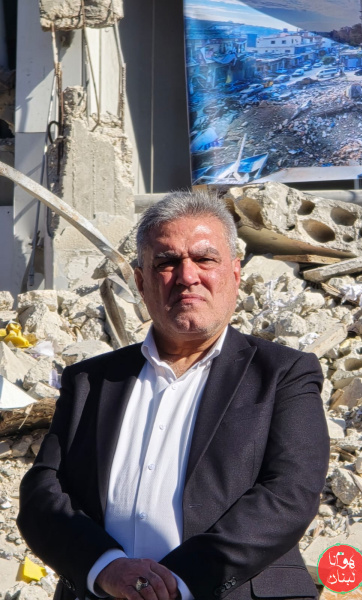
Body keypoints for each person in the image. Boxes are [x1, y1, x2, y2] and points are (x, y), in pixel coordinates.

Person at [18, 190, 330, 600]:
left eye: (205, 259)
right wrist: (106, 567)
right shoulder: (90, 381)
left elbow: (290, 492)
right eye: (166, 262)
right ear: (140, 281)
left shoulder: (283, 375)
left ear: (235, 272)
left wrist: (178, 581)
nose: (187, 276)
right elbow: (43, 494)